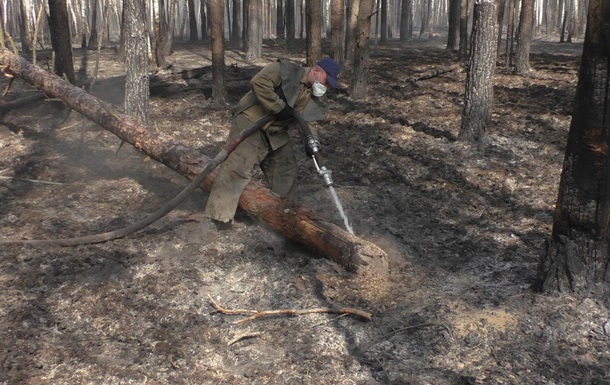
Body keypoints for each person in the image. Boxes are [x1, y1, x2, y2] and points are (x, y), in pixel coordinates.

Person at [204, 57, 341, 229]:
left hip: (277, 130)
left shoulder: (312, 94)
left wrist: (312, 141)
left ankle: (283, 219)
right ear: (316, 71)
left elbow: (309, 122)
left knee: (286, 169)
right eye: (326, 81)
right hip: (251, 122)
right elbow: (258, 82)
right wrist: (279, 107)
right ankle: (217, 219)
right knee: (236, 169)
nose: (326, 87)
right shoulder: (286, 70)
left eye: (329, 85)